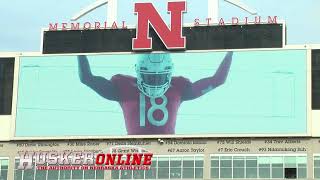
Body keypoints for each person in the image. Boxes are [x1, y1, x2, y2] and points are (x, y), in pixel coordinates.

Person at [78, 52, 233, 135]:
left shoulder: (122, 86)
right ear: (139, 73)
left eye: (159, 77)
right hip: (138, 153)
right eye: (150, 77)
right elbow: (87, 78)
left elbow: (218, 80)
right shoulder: (179, 87)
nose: (155, 82)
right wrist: (230, 50)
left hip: (165, 152)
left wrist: (81, 49)